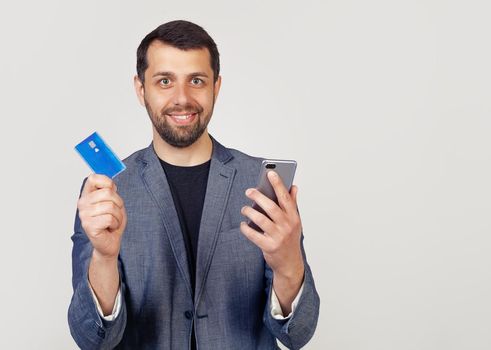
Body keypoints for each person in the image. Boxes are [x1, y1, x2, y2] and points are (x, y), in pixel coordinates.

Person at [67, 20, 319, 349]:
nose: (182, 98)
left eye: (196, 80)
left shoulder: (264, 186)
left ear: (216, 87)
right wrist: (103, 256)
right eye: (165, 81)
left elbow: (298, 334)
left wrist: (289, 264)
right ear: (141, 89)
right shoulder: (106, 192)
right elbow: (92, 340)